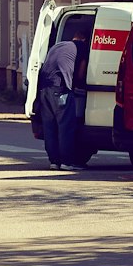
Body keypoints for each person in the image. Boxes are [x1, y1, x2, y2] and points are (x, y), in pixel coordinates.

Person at [36, 30, 87, 169]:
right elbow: (81, 73)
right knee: (65, 127)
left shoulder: (58, 45)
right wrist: (79, 84)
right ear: (84, 40)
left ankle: (54, 161)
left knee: (50, 127)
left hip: (44, 88)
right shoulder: (81, 47)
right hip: (60, 89)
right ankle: (66, 162)